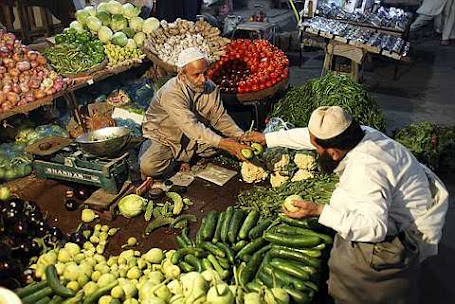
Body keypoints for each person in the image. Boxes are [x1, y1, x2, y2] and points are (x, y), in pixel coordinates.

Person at [243, 106, 449, 304]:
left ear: (332, 152)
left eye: (316, 148)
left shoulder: (365, 169)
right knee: (339, 251)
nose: (313, 148)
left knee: (351, 279)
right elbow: (312, 136)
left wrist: (319, 210)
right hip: (402, 201)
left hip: (400, 232)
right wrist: (268, 139)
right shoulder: (358, 135)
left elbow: (374, 229)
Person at [140, 47, 254, 179]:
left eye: (205, 73)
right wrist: (224, 143)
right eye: (196, 75)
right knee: (148, 167)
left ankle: (186, 156)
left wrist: (240, 136)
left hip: (191, 138)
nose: (203, 79)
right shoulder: (171, 93)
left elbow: (219, 117)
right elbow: (191, 126)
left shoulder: (210, 87)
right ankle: (167, 155)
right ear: (182, 75)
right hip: (164, 137)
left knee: (220, 144)